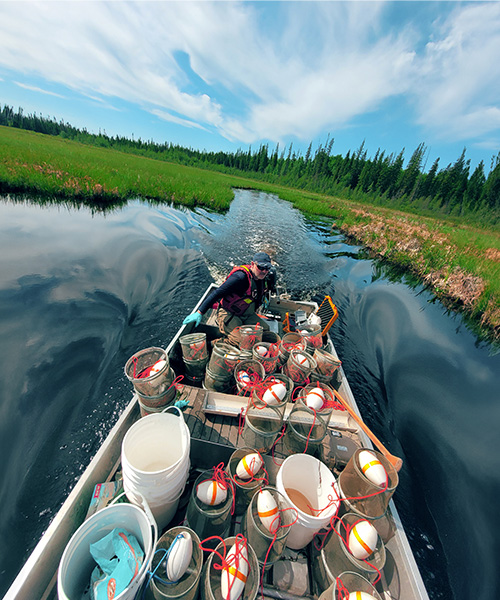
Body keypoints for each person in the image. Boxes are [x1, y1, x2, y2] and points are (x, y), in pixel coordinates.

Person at [182, 251, 277, 346]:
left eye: (267, 268)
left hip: (246, 314)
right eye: (260, 267)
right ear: (253, 264)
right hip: (229, 313)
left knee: (265, 331)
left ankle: (236, 336)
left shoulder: (263, 277)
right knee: (241, 342)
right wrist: (200, 312)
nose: (264, 271)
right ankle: (208, 345)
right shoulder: (240, 278)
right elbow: (216, 293)